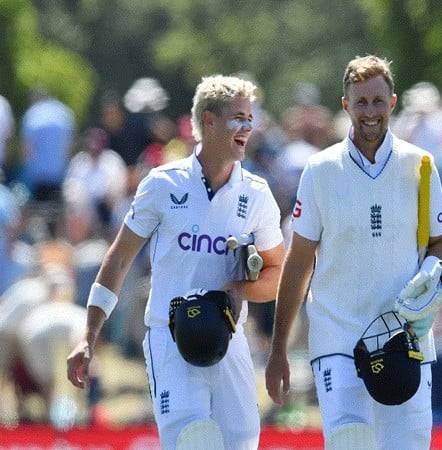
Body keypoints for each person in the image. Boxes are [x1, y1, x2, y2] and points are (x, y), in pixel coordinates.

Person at [67, 75, 285, 450]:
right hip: (170, 338)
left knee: (241, 444)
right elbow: (119, 259)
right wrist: (88, 336)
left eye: (250, 119)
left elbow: (276, 273)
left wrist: (238, 289)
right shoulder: (163, 183)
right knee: (194, 440)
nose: (247, 128)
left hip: (230, 339)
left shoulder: (257, 192)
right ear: (209, 121)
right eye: (238, 118)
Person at [266, 55, 442, 450]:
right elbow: (298, 261)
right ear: (345, 104)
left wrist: (429, 282)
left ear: (393, 102)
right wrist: (278, 348)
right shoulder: (319, 170)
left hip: (405, 337)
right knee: (351, 442)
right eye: (361, 102)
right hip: (338, 335)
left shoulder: (420, 165)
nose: (370, 112)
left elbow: (441, 241)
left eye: (378, 101)